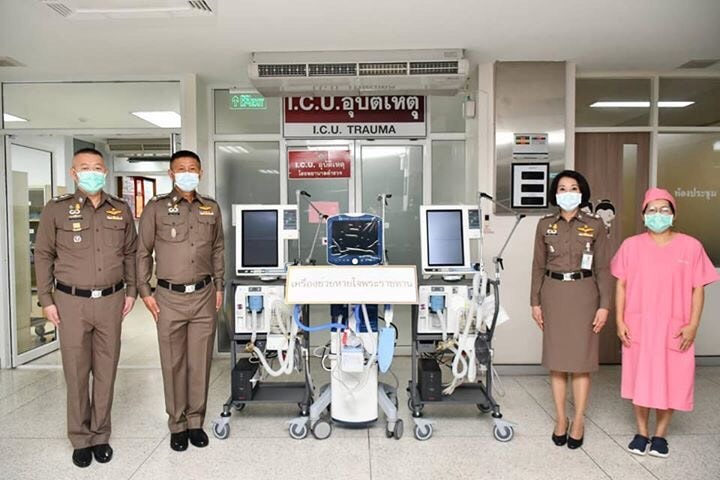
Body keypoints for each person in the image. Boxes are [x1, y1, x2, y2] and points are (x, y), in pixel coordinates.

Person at [34, 148, 137, 468]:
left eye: (97, 167)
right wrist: (46, 299)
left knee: (106, 371)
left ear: (105, 172)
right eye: (84, 167)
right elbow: (43, 255)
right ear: (73, 173)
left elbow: (131, 253)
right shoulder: (56, 209)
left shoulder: (120, 209)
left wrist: (132, 291)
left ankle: (100, 434)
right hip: (71, 302)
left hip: (111, 300)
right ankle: (80, 438)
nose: (91, 172)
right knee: (77, 372)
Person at [611, 187, 718, 458]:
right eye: (652, 210)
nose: (658, 215)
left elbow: (698, 288)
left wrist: (693, 324)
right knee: (640, 378)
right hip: (639, 326)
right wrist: (619, 320)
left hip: (675, 327)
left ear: (673, 213)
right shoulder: (630, 246)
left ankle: (660, 435)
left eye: (664, 210)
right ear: (643, 214)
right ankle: (641, 432)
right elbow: (621, 285)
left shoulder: (691, 246)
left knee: (671, 379)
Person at [136, 150, 225, 452]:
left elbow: (218, 249)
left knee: (199, 362)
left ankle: (195, 421)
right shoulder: (156, 207)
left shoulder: (211, 207)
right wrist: (145, 291)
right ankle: (177, 423)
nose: (188, 173)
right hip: (168, 296)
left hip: (204, 294)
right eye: (181, 168)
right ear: (171, 174)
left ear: (200, 173)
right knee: (173, 362)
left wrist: (219, 286)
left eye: (193, 168)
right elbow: (142, 252)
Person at [530, 170, 613, 449]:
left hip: (585, 295)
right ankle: (560, 418)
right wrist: (535, 302)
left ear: (582, 192)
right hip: (553, 295)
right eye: (562, 188)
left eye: (573, 188)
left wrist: (604, 306)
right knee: (557, 362)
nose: (568, 193)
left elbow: (603, 268)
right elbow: (537, 266)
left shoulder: (595, 225)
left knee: (580, 363)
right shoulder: (544, 225)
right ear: (555, 194)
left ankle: (578, 420)